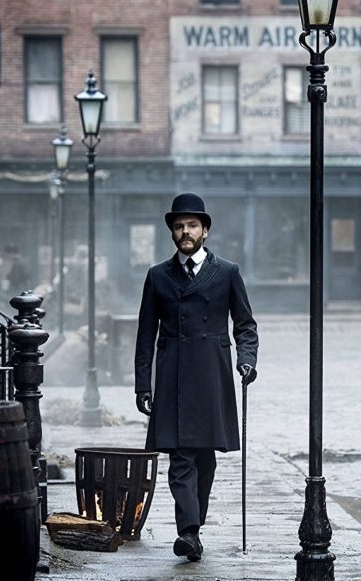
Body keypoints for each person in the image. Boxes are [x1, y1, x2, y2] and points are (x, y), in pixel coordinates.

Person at [134, 193, 258, 562]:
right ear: (172, 233)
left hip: (213, 373)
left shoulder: (228, 272)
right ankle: (188, 533)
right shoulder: (158, 275)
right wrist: (144, 384)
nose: (184, 232)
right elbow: (145, 335)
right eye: (178, 227)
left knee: (205, 459)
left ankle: (195, 525)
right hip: (173, 373)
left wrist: (247, 361)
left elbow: (246, 325)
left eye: (191, 225)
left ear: (205, 230)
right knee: (180, 455)